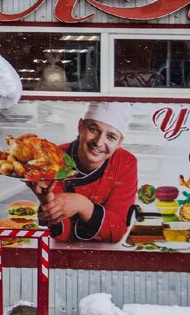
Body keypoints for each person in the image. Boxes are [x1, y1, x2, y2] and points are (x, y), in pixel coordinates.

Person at [28, 102, 138, 243]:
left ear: (119, 142)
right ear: (80, 126)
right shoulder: (55, 159)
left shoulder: (125, 163)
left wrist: (82, 205)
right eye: (93, 129)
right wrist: (48, 203)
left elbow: (116, 231)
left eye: (111, 137)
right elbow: (62, 236)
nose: (99, 142)